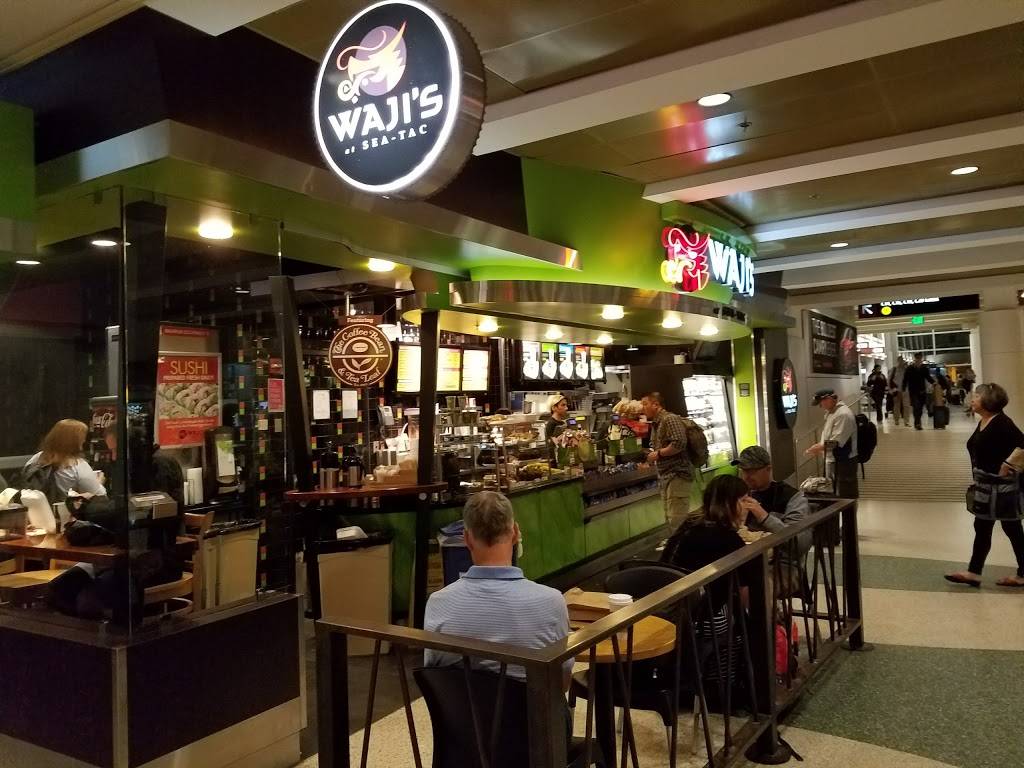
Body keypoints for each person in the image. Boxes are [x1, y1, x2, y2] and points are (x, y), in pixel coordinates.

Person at [424, 491, 573, 684]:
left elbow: (434, 673)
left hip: (460, 704)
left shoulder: (438, 603)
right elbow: (563, 678)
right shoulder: (552, 602)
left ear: (467, 539)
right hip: (529, 704)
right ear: (515, 533)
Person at [945, 383, 1024, 588]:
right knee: (983, 527)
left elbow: (1023, 444)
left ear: (989, 401)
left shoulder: (1002, 422)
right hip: (987, 487)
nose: (972, 399)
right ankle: (974, 572)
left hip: (1003, 489)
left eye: (977, 396)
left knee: (1012, 528)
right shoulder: (985, 421)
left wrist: (1008, 465)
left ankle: (1017, 574)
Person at [642, 391, 698, 529]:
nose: (642, 408)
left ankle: (682, 542)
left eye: (645, 404)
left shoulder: (669, 419)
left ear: (656, 404)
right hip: (666, 476)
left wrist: (658, 454)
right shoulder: (656, 423)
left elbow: (679, 443)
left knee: (677, 520)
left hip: (677, 474)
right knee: (670, 517)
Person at [23, 419, 107, 498]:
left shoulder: (36, 458)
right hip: (66, 508)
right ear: (74, 441)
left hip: (37, 507)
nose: (84, 440)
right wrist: (99, 482)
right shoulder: (77, 465)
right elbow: (100, 495)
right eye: (82, 437)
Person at [806, 389, 858, 498]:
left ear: (829, 399)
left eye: (821, 403)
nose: (820, 406)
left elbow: (836, 442)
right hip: (834, 460)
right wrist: (819, 447)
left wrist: (818, 448)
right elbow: (829, 437)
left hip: (844, 462)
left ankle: (848, 510)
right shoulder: (833, 413)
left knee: (845, 496)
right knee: (834, 493)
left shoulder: (843, 415)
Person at [902, 352, 934, 430]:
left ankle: (918, 421)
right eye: (918, 358)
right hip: (913, 391)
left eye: (920, 359)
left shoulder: (924, 368)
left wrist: (934, 382)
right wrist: (903, 388)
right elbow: (905, 379)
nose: (919, 360)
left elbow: (928, 377)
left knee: (920, 408)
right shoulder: (909, 368)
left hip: (922, 391)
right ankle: (917, 423)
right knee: (916, 406)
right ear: (915, 359)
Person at [889, 357, 910, 426]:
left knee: (906, 406)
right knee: (896, 406)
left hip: (905, 390)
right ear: (898, 361)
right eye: (900, 361)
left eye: (902, 361)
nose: (901, 362)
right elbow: (889, 380)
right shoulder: (894, 369)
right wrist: (891, 390)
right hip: (896, 390)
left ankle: (906, 421)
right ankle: (896, 420)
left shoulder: (906, 369)